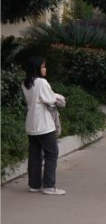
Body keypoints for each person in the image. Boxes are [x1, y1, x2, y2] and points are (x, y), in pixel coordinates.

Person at [22, 55, 67, 196]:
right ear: (37, 68)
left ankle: (34, 185)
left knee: (35, 155)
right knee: (51, 154)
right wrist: (59, 97)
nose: (45, 69)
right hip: (44, 124)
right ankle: (49, 186)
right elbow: (50, 99)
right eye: (43, 66)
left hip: (31, 124)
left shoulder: (26, 83)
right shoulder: (42, 82)